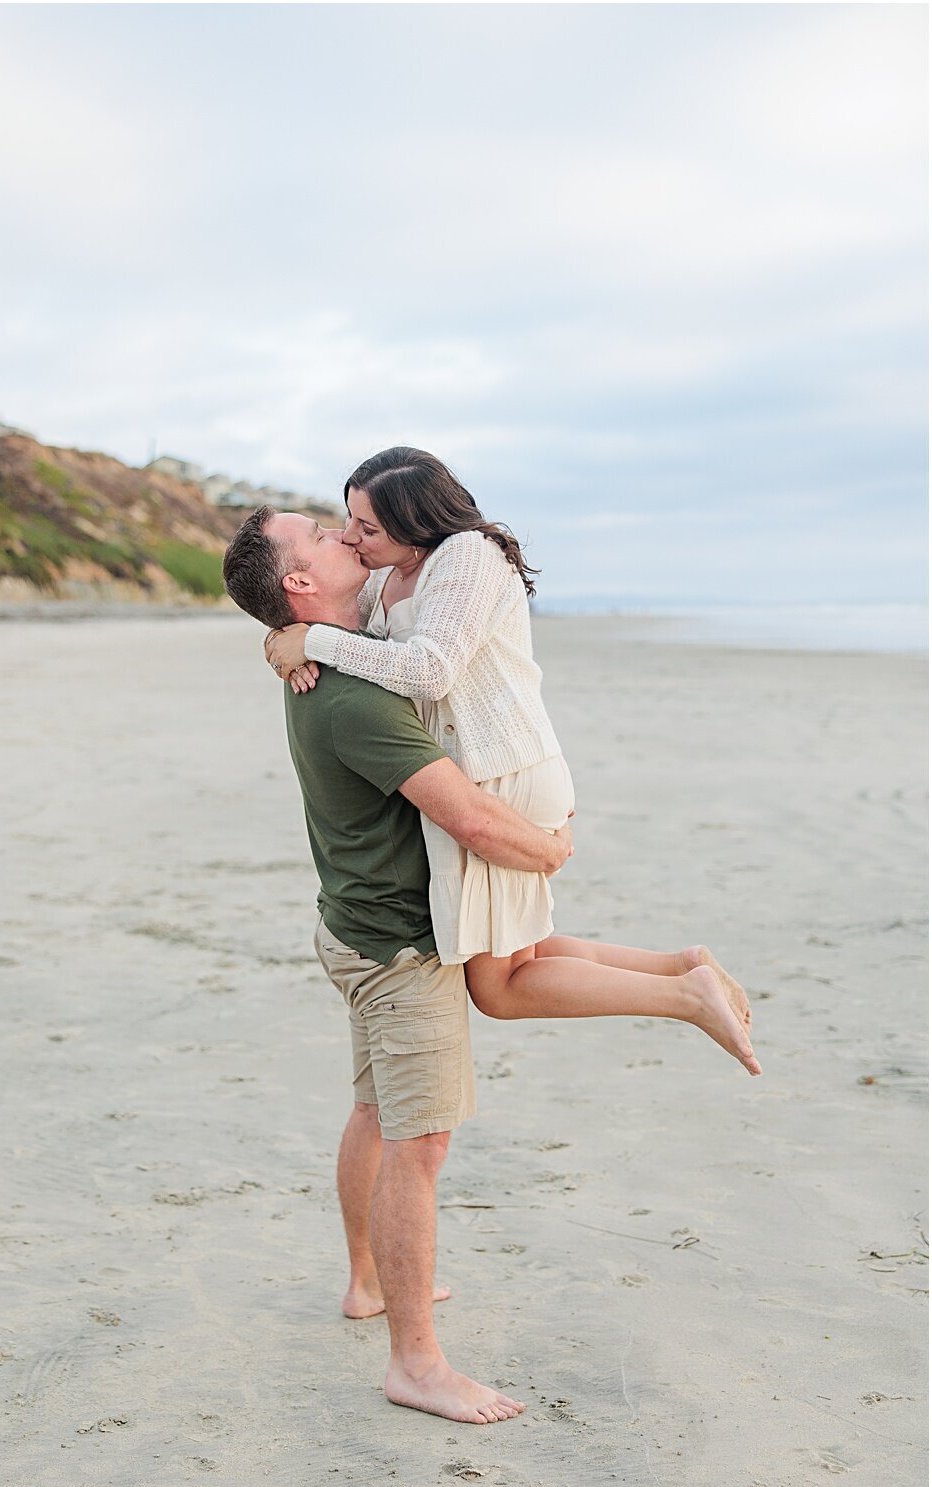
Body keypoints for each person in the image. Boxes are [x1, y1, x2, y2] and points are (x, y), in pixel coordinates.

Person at [222, 504, 575, 1425]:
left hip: (353, 928)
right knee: (420, 1148)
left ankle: (367, 1282)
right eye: (324, 536)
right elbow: (463, 814)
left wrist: (289, 637)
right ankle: (416, 1364)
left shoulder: (331, 655)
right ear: (299, 583)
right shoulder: (351, 692)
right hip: (396, 948)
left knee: (378, 1113)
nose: (348, 540)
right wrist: (547, 850)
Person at [265, 448, 760, 1077]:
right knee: (512, 953)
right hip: (474, 770)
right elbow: (326, 612)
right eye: (349, 520)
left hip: (499, 772)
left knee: (499, 987)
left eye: (368, 526)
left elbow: (427, 667)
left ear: (418, 522)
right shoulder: (389, 571)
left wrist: (312, 641)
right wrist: (285, 638)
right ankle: (683, 968)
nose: (351, 537)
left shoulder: (467, 557)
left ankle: (685, 996)